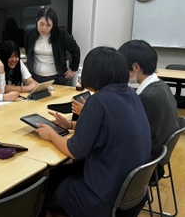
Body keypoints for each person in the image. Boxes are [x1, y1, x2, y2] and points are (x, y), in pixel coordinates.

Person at [36, 47, 151, 217]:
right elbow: (108, 130)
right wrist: (70, 125)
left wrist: (51, 135)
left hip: (101, 199)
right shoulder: (131, 95)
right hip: (130, 196)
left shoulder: (99, 100)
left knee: (42, 191)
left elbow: (75, 151)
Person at [118, 39, 179, 178]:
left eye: (122, 67)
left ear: (135, 67)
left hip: (143, 168)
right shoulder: (162, 86)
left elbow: (127, 135)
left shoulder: (148, 97)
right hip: (155, 160)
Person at [25, 7, 80, 85]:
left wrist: (73, 68)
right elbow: (29, 52)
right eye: (41, 24)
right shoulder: (29, 33)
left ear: (53, 25)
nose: (44, 28)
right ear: (37, 21)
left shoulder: (61, 34)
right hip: (35, 77)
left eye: (48, 25)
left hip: (56, 78)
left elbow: (75, 50)